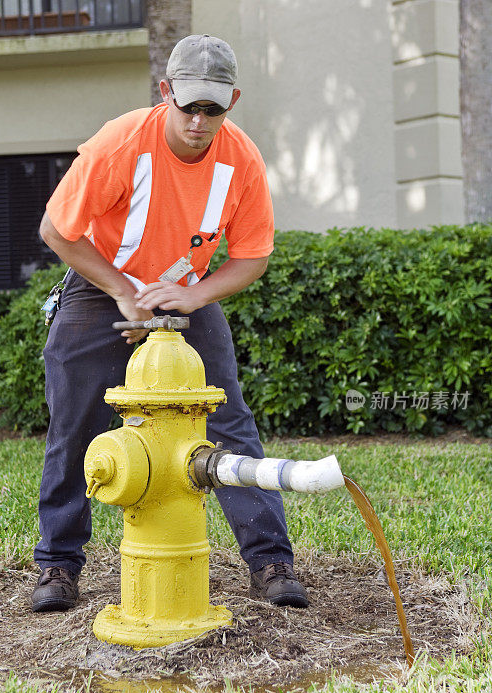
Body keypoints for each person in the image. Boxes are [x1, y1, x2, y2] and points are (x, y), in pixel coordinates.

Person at [32, 34, 308, 614]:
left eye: (214, 108)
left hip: (187, 290)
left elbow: (252, 255)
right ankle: (58, 566)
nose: (200, 121)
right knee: (74, 425)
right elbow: (57, 232)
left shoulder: (242, 161)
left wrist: (192, 296)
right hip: (103, 284)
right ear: (167, 92)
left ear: (232, 100)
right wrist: (125, 293)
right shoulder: (121, 144)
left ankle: (271, 561)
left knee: (227, 421)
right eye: (190, 106)